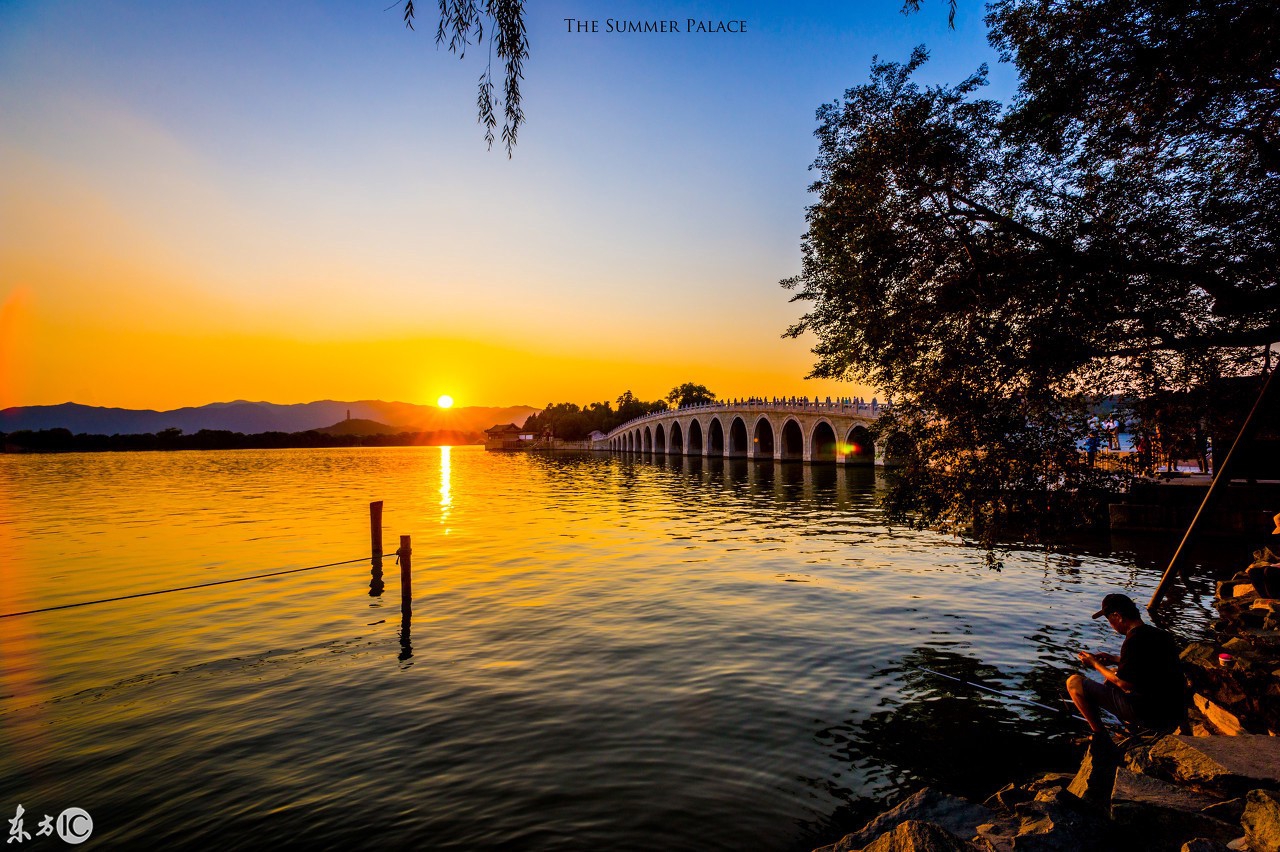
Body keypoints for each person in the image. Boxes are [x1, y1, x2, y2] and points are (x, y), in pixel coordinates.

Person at [1066, 593, 1186, 745]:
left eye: (1110, 620)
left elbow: (1124, 683)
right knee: (1114, 673)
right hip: (1172, 711)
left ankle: (1100, 736)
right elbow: (1151, 664)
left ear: (1117, 616)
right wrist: (1113, 659)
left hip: (1150, 714)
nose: (1111, 625)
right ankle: (1131, 729)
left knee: (1074, 682)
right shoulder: (1161, 635)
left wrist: (1094, 663)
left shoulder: (1132, 641)